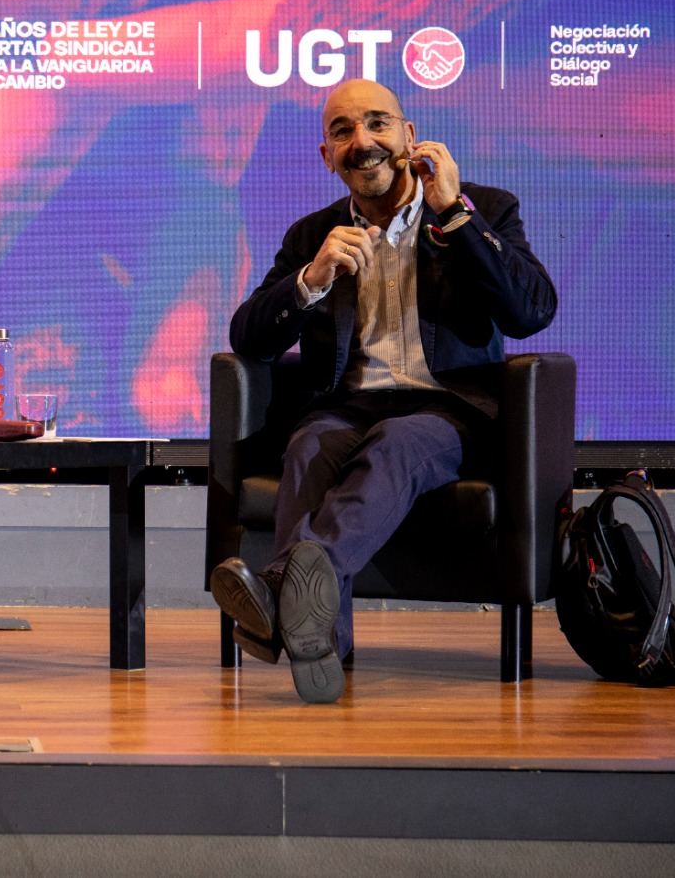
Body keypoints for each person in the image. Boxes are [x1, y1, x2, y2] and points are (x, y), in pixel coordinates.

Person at [209, 78, 557, 703]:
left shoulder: (484, 207)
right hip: (346, 407)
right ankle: (321, 646)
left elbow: (532, 312)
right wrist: (309, 280)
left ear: (409, 137)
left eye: (377, 124)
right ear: (327, 155)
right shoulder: (312, 233)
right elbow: (248, 336)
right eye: (343, 131)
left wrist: (457, 214)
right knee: (307, 449)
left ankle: (276, 590)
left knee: (398, 441)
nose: (362, 142)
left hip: (447, 408)